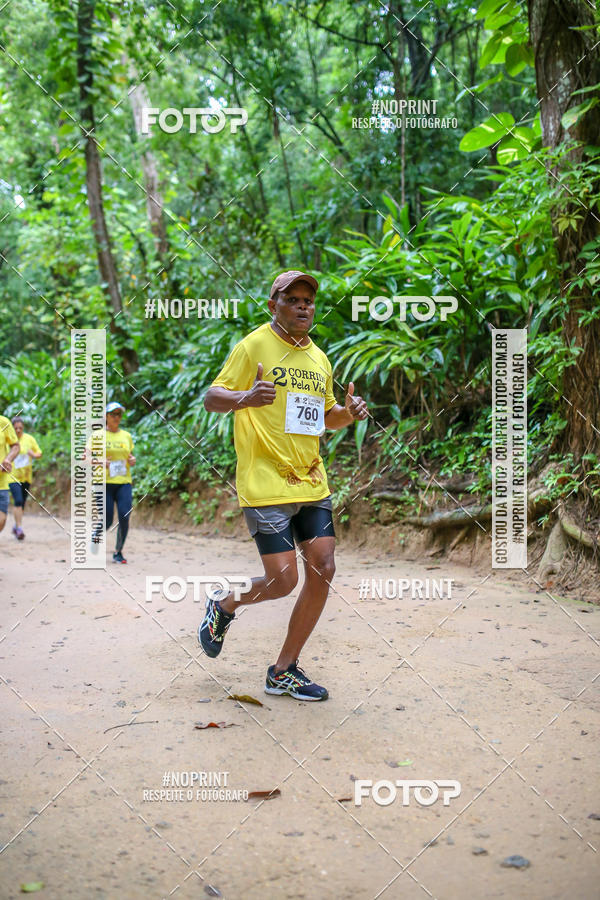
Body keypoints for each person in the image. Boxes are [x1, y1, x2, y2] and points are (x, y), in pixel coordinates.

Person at [198, 269, 368, 701]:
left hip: (311, 482)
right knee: (283, 581)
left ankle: (283, 670)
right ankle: (225, 604)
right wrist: (246, 398)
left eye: (308, 300)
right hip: (265, 483)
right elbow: (212, 397)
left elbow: (325, 417)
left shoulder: (319, 358)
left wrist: (348, 413)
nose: (303, 306)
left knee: (324, 567)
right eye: (292, 299)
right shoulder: (253, 346)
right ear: (274, 305)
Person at [90, 402, 136, 563]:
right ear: (106, 417)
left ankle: (118, 552)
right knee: (107, 519)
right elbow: (85, 457)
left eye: (119, 414)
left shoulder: (126, 436)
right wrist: (100, 461)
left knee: (125, 514)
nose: (116, 417)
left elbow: (130, 456)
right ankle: (96, 537)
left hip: (123, 481)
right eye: (113, 414)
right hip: (102, 483)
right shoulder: (97, 435)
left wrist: (132, 460)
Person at [8, 417, 42, 540]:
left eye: (20, 428)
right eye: (16, 428)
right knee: (18, 501)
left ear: (23, 428)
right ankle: (19, 528)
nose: (18, 430)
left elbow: (39, 453)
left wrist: (33, 454)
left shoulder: (29, 439)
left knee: (22, 503)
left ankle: (16, 526)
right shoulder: (8, 440)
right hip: (12, 477)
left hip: (26, 477)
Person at [0, 414, 20, 538]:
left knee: (2, 520)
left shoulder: (3, 422)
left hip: (1, 483)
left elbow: (15, 446)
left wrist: (8, 459)